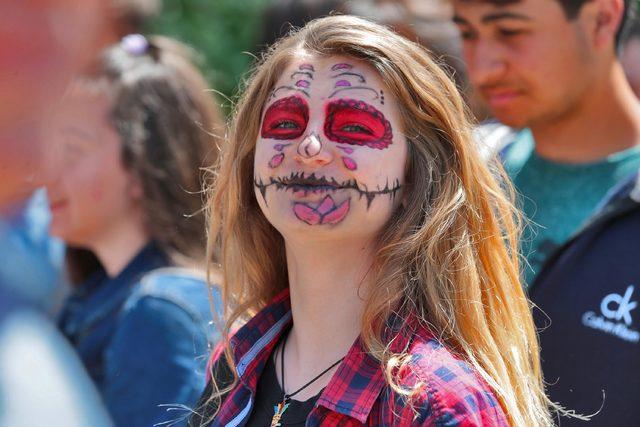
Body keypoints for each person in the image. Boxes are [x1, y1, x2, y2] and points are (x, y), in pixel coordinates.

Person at [189, 15, 554, 426]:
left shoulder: (434, 405)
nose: (309, 146)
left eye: (353, 127)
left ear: (416, 172)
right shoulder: (237, 360)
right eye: (285, 123)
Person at [452, 0, 640, 423]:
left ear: (601, 19)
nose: (482, 69)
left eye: (510, 32)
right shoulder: (456, 172)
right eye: (467, 33)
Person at [46, 35, 224, 427]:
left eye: (71, 150)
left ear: (144, 165)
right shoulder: (98, 300)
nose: (46, 172)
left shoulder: (162, 313)